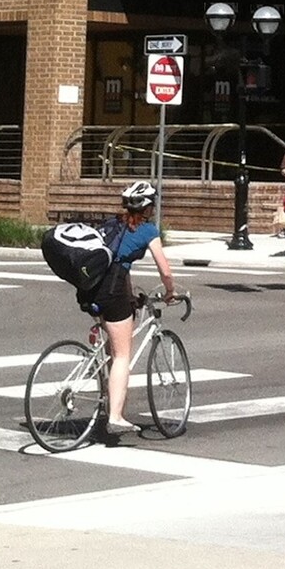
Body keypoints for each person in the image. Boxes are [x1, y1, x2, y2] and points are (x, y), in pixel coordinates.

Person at [80, 180, 177, 445]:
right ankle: (115, 417)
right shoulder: (147, 231)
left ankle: (112, 406)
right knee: (122, 355)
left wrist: (130, 294)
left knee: (113, 352)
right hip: (113, 293)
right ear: (147, 207)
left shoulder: (112, 225)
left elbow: (116, 263)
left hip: (92, 289)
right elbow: (165, 270)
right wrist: (170, 291)